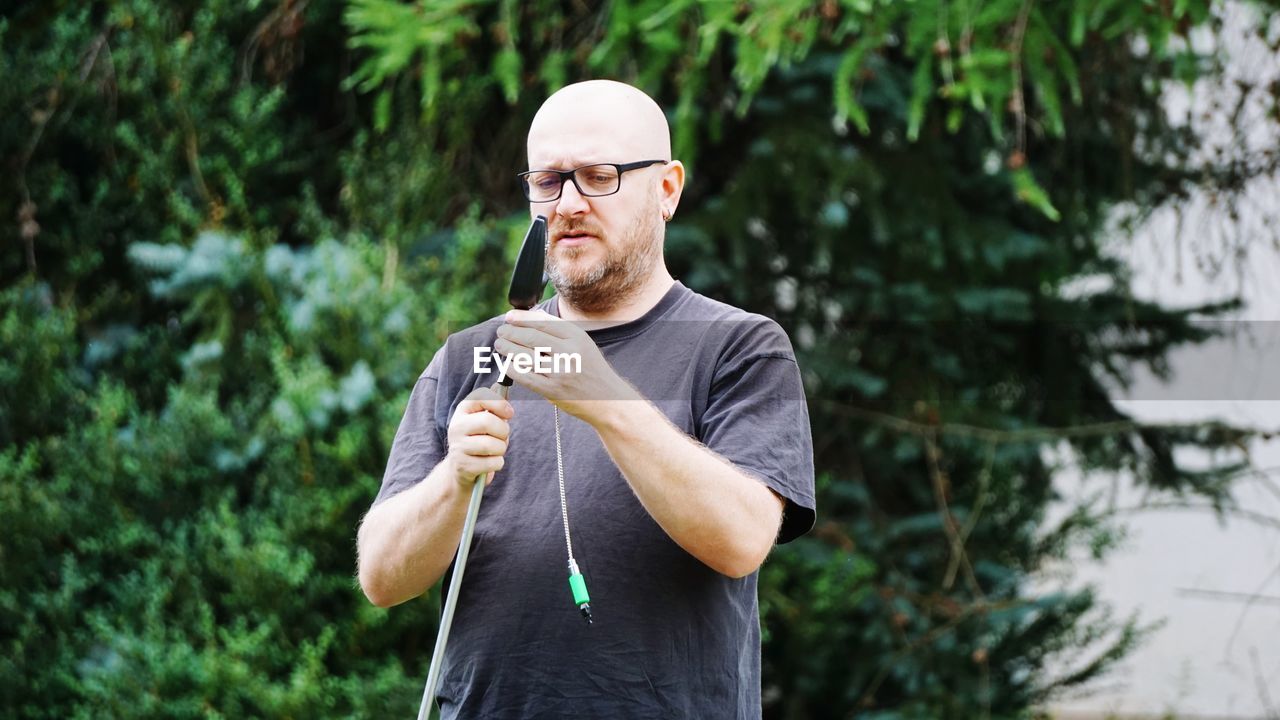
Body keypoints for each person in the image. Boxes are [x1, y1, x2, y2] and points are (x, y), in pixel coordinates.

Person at [357, 79, 816, 719]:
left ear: (667, 189)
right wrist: (454, 482)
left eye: (598, 176)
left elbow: (742, 539)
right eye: (548, 182)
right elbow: (381, 577)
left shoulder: (738, 348)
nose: (568, 204)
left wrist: (604, 399)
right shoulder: (474, 355)